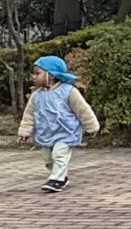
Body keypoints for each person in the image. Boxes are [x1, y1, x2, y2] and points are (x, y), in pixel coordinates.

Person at [17, 54, 100, 193]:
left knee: (59, 155)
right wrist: (24, 132)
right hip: (45, 134)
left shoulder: (68, 91)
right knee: (48, 160)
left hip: (65, 132)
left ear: (51, 75)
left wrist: (91, 126)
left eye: (37, 73)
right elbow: (29, 115)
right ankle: (61, 176)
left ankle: (56, 180)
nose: (33, 77)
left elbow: (82, 109)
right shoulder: (36, 95)